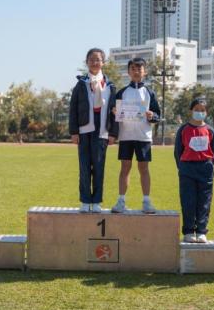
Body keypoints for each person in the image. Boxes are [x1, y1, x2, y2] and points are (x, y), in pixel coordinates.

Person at [68, 48, 117, 213]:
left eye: (98, 59)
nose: (95, 62)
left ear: (103, 62)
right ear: (87, 62)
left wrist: (113, 133)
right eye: (91, 59)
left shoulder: (110, 85)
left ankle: (96, 201)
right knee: (84, 167)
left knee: (98, 166)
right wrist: (74, 132)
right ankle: (85, 200)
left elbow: (115, 111)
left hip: (102, 129)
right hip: (84, 129)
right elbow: (73, 109)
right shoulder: (81, 84)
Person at [110, 57, 160, 214]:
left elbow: (157, 115)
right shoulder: (122, 92)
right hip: (126, 136)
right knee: (125, 168)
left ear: (145, 72)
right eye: (133, 68)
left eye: (139, 69)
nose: (136, 71)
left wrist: (152, 115)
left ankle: (146, 201)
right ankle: (121, 201)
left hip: (143, 137)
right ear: (128, 72)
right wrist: (114, 112)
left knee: (144, 168)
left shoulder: (150, 92)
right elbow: (114, 113)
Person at [175, 98, 214, 243]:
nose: (199, 112)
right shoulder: (183, 129)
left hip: (205, 168)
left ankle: (201, 231)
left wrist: (207, 165)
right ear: (191, 111)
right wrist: (183, 167)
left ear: (206, 112)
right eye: (196, 110)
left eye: (202, 110)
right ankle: (188, 231)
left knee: (204, 201)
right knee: (188, 201)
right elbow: (178, 151)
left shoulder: (210, 130)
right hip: (187, 168)